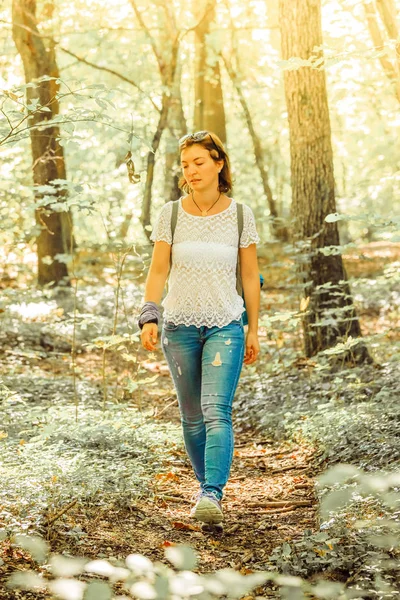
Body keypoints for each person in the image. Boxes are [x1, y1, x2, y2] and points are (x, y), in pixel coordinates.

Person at [138, 131, 260, 526]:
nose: (191, 171)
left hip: (226, 323)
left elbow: (250, 274)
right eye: (186, 164)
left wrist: (254, 328)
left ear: (219, 164)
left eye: (199, 162)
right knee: (191, 415)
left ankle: (212, 493)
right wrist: (149, 314)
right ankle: (206, 488)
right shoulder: (170, 214)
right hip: (179, 326)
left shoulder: (240, 215)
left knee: (215, 409)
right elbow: (158, 270)